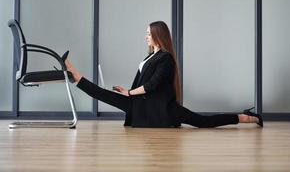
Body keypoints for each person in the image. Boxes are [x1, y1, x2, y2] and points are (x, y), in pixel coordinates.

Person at [65, 21, 263, 128]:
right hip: (141, 104)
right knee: (103, 94)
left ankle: (246, 117)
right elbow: (144, 83)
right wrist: (128, 92)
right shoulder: (150, 57)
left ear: (158, 36)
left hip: (161, 109)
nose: (146, 37)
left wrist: (128, 93)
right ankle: (75, 75)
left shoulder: (166, 58)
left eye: (149, 34)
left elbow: (153, 85)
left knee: (205, 122)